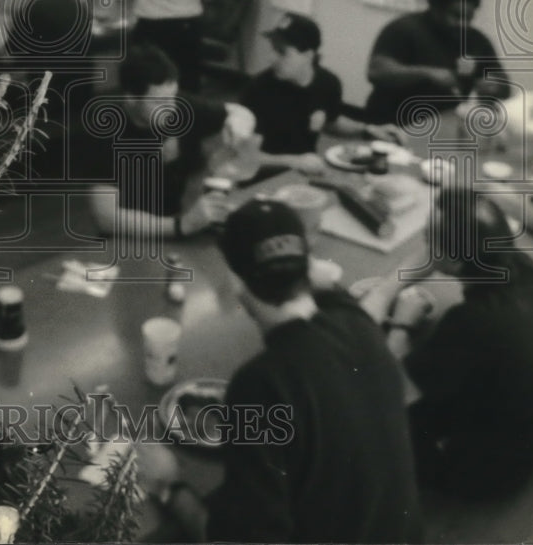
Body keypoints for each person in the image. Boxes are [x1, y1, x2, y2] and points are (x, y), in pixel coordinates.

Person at [153, 199, 423, 543]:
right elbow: (332, 290)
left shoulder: (260, 385)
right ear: (308, 265)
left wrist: (169, 486)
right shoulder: (358, 322)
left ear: (235, 281)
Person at [360, 187, 533, 499]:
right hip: (528, 446)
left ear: (454, 260)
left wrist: (402, 323)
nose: (424, 243)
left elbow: (391, 389)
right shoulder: (522, 267)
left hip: (485, 474)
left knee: (362, 407)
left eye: (431, 238)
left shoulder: (472, 321)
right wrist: (387, 290)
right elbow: (442, 255)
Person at [82, 44, 228, 241]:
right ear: (131, 98)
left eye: (173, 96)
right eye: (160, 102)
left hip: (177, 224)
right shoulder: (104, 132)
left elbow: (237, 113)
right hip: (129, 236)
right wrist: (181, 226)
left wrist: (236, 128)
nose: (172, 109)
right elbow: (106, 217)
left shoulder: (174, 103)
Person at [240, 13, 400, 176]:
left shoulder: (327, 83)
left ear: (309, 55)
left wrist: (368, 129)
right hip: (260, 176)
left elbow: (331, 122)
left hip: (306, 172)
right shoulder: (258, 88)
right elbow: (244, 156)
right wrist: (294, 161)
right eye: (273, 49)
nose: (271, 58)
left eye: (282, 52)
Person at [365, 0, 509, 123]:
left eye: (468, 17)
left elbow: (505, 87)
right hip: (394, 122)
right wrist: (427, 73)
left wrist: (494, 86)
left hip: (446, 125)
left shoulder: (477, 40)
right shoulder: (404, 29)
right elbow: (376, 71)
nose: (463, 23)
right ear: (435, 9)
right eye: (456, 15)